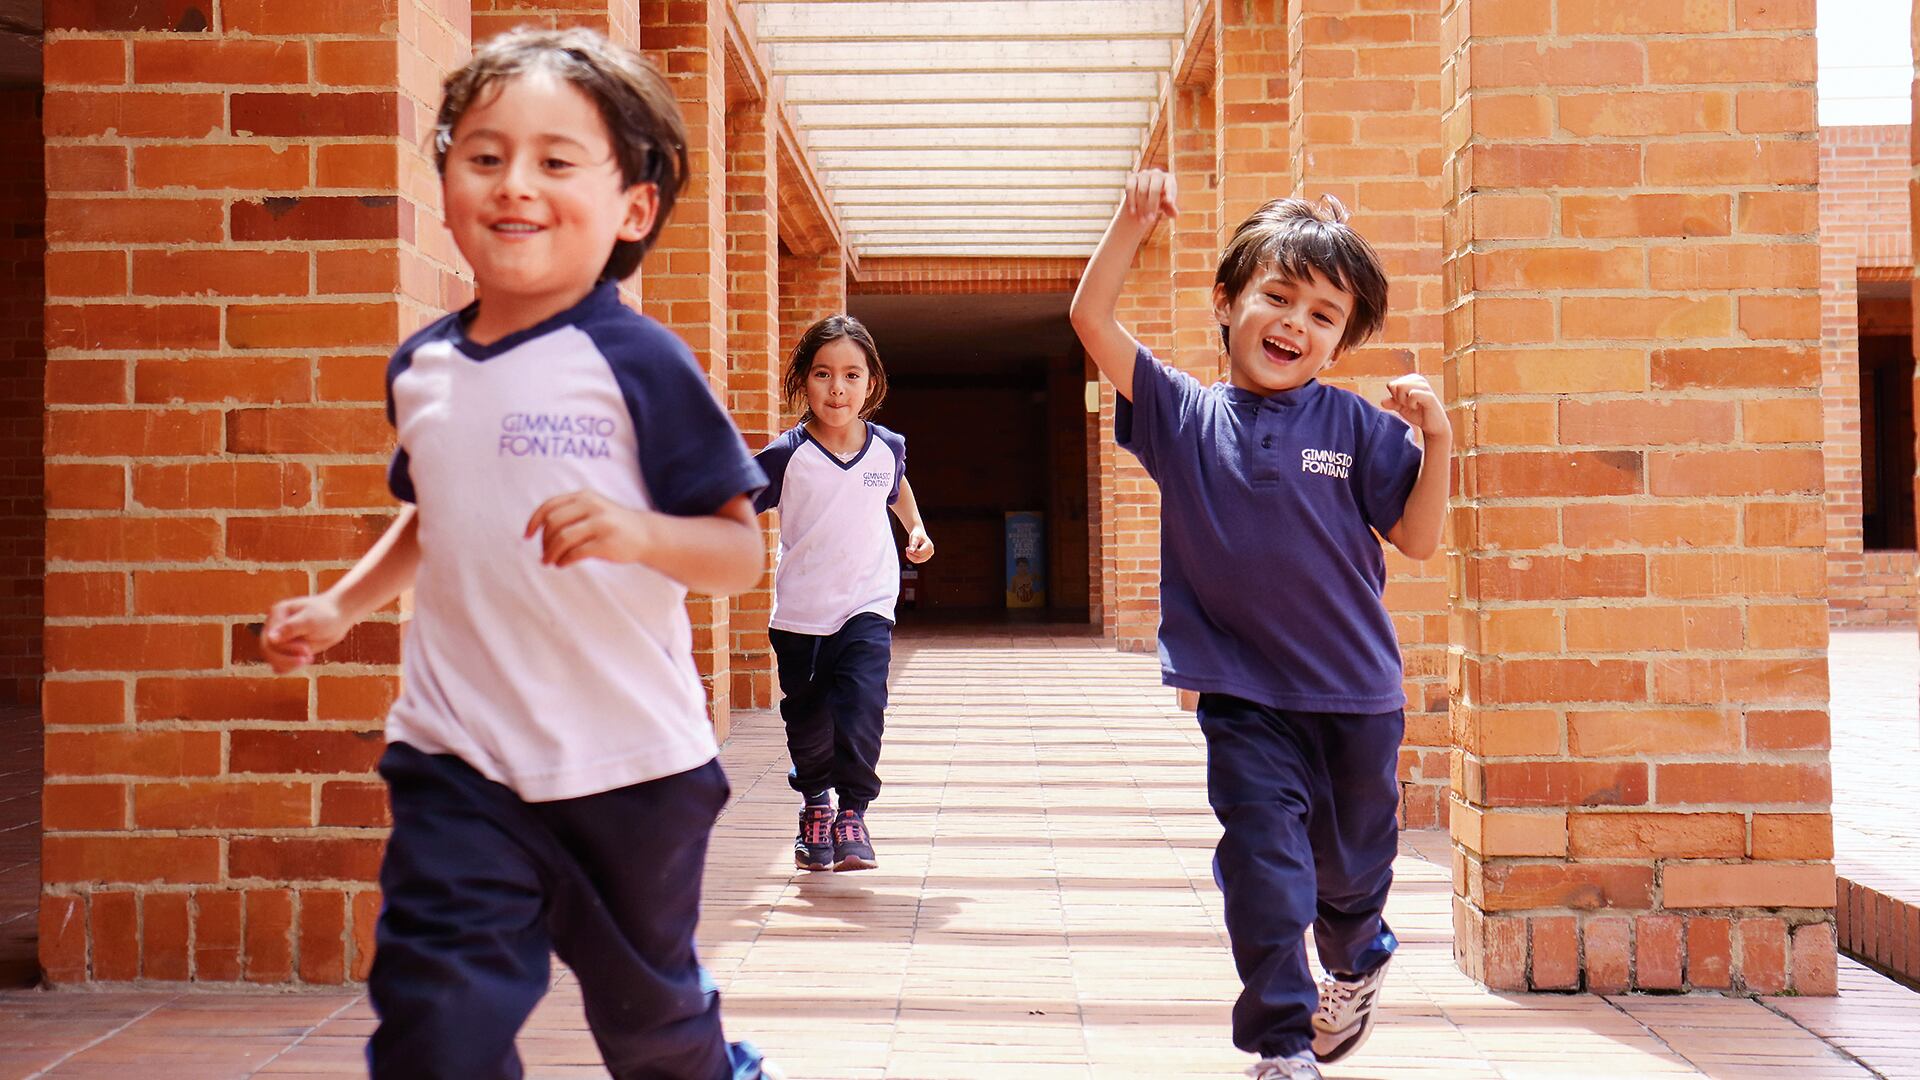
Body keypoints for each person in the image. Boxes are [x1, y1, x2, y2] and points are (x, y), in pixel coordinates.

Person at [258, 27, 783, 1080]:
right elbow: (436, 514)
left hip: (631, 770)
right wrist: (345, 606)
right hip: (459, 759)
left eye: (556, 160)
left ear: (634, 207)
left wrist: (640, 532)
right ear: (446, 181)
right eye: (485, 155)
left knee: (652, 1029)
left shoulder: (637, 362)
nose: (515, 185)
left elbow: (737, 553)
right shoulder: (425, 367)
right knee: (434, 1025)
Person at [1069, 170, 1451, 1080]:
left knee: (1350, 877)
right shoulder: (1182, 415)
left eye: (1323, 315)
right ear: (1228, 301)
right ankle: (1282, 1046)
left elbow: (1421, 540)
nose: (1295, 324)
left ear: (1342, 340)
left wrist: (1441, 440)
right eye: (1277, 297)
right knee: (1264, 871)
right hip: (1244, 700)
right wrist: (1129, 225)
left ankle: (1357, 957)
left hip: (1356, 698)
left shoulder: (1356, 425)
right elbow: (1092, 319)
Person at [752, 315, 933, 873]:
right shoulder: (786, 455)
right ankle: (815, 807)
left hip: (867, 605)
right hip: (802, 616)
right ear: (803, 382)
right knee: (808, 722)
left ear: (871, 383)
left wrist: (917, 528)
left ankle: (853, 811)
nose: (838, 388)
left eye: (852, 375)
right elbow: (732, 503)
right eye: (823, 374)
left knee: (861, 708)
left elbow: (896, 486)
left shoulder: (887, 447)